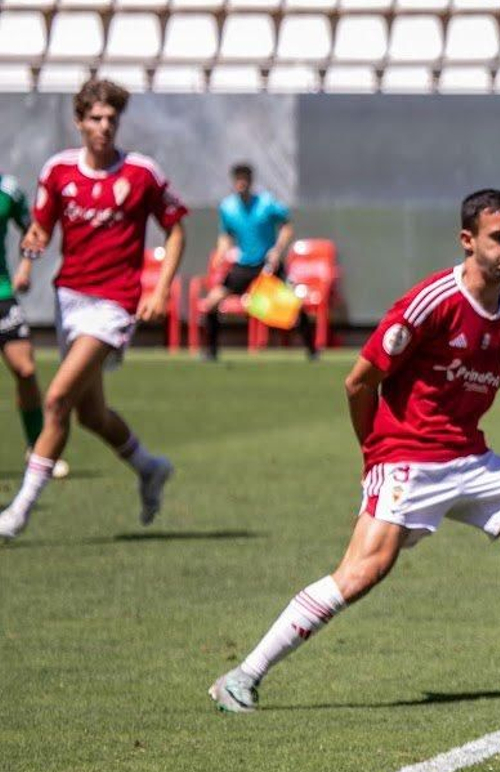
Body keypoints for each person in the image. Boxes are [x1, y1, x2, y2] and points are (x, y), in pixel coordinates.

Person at [208, 189, 500, 713]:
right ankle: (242, 676)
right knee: (361, 573)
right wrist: (375, 455)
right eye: (499, 237)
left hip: (471, 459)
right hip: (407, 461)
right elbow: (358, 383)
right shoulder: (432, 302)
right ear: (468, 241)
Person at [0, 79, 185, 541]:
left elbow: (177, 229)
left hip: (114, 305)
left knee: (57, 399)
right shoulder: (58, 171)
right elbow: (40, 229)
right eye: (96, 119)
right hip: (70, 300)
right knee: (91, 414)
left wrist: (159, 290)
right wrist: (31, 252)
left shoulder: (142, 174)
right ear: (79, 122)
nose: (104, 127)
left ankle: (17, 512)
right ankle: (149, 467)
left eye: (111, 119)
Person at [197, 162, 318, 360]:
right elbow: (226, 234)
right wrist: (221, 251)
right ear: (234, 182)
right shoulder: (228, 207)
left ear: (251, 182)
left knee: (295, 304)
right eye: (238, 180)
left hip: (268, 265)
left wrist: (277, 251)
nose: (241, 184)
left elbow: (287, 226)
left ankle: (312, 350)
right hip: (244, 266)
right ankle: (211, 351)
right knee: (211, 302)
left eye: (245, 180)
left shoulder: (266, 203)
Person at [0, 173, 69, 478]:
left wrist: (25, 267)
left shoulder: (9, 190)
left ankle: (38, 449)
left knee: (25, 369)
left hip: (1, 293)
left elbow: (34, 231)